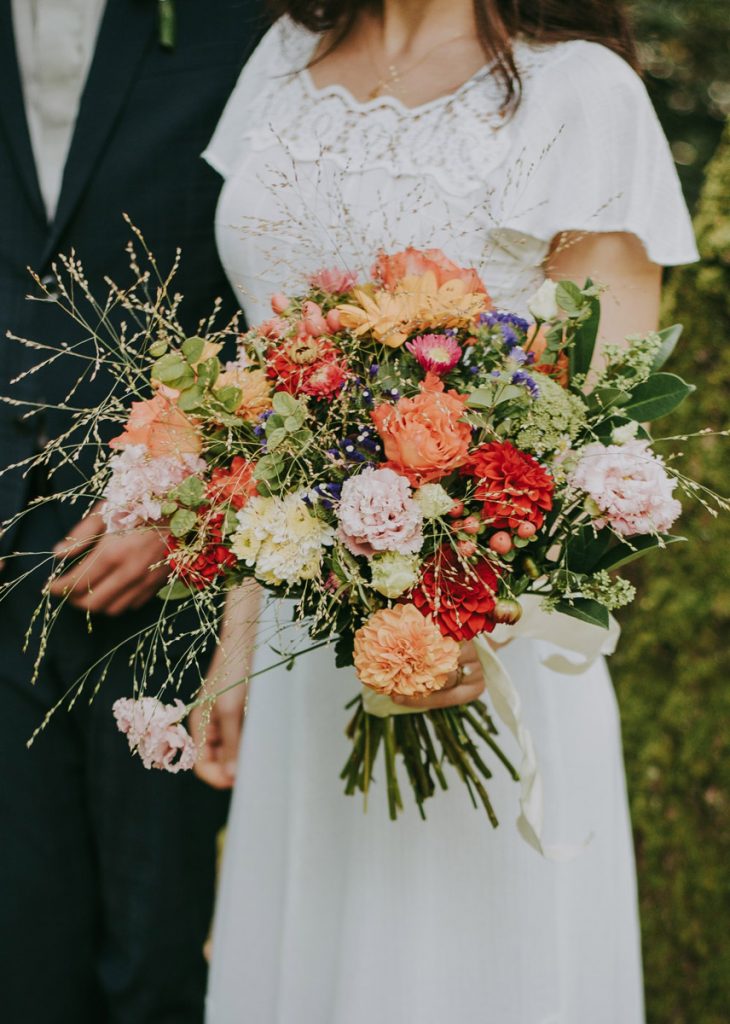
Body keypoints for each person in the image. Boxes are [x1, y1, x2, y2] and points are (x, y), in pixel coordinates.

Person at [201, 1, 698, 1021]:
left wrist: (468, 615)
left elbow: (602, 427)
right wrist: (241, 627)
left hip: (482, 649)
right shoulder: (286, 54)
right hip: (307, 633)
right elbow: (259, 377)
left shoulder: (581, 92)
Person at [0, 2, 264, 1021]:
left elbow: (287, 269)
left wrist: (189, 494)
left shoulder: (252, 20)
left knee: (152, 956)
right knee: (22, 950)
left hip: (172, 561)